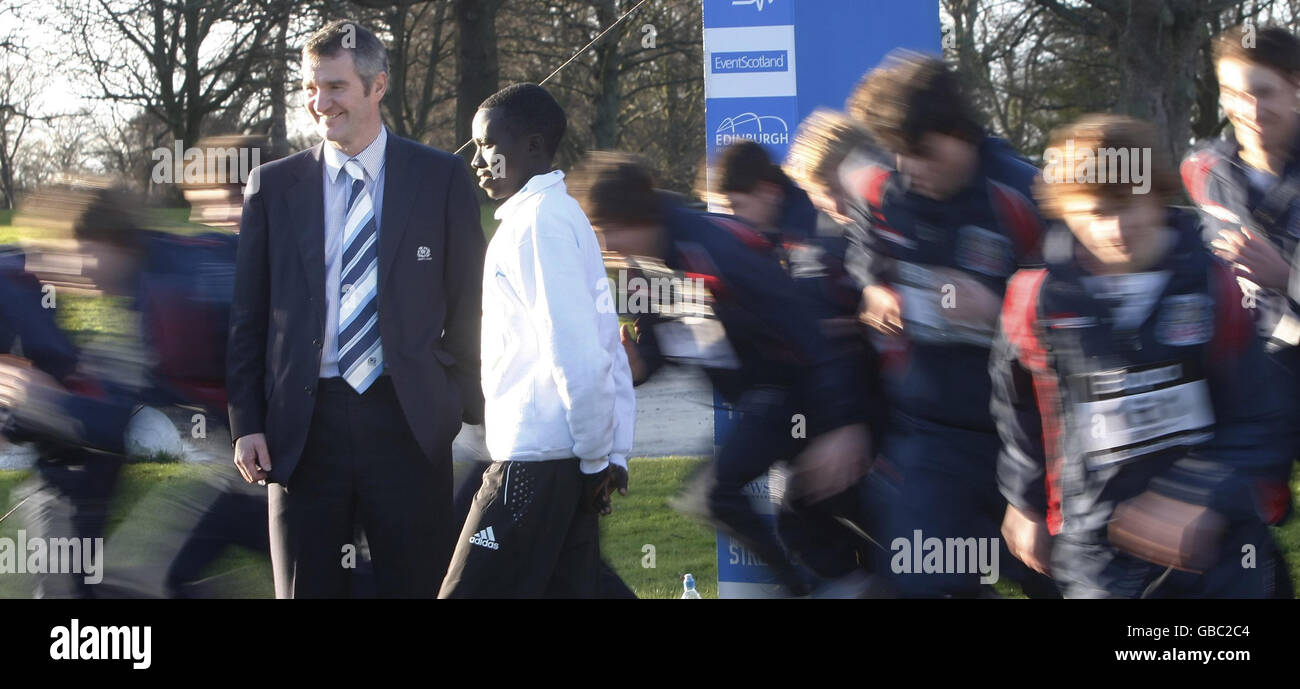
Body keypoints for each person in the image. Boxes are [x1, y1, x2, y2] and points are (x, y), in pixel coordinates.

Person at [226, 19, 485, 598]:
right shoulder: (272, 187)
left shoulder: (440, 177)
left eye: (336, 87)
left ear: (378, 86)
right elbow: (249, 316)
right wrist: (247, 423)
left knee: (419, 588)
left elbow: (469, 301)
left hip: (408, 423)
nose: (320, 103)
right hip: (303, 431)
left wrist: (457, 400)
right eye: (310, 88)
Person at [995, 114, 1291, 598]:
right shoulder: (1036, 300)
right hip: (1099, 547)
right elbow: (1021, 412)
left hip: (1214, 540)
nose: (1114, 227)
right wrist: (1024, 501)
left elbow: (1258, 417)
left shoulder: (1214, 287)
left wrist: (1197, 494)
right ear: (1064, 210)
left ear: (1157, 193)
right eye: (1095, 212)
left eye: (1127, 204)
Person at [570, 151, 876, 596]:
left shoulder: (715, 247)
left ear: (639, 217)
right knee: (807, 513)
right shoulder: (641, 268)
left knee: (722, 493)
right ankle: (858, 582)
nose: (606, 244)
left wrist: (843, 425)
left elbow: (806, 330)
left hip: (796, 392)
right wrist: (635, 365)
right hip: (764, 401)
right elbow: (658, 348)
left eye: (610, 229)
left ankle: (817, 587)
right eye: (598, 232)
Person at [841, 51, 1055, 597]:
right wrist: (875, 287)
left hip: (1030, 439)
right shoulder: (881, 187)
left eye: (923, 153)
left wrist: (1001, 311)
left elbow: (1082, 315)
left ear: (959, 134)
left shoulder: (1024, 195)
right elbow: (864, 252)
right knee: (918, 578)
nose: (909, 167)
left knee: (1060, 581)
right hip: (930, 434)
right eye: (898, 152)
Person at [438, 83, 634, 598]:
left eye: (488, 145)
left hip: (534, 466)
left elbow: (581, 353)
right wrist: (608, 454)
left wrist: (601, 458)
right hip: (559, 463)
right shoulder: (552, 216)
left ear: (532, 146)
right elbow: (605, 345)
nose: (476, 160)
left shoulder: (539, 225)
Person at [1182, 25, 1300, 532]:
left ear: (1296, 86)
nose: (1248, 109)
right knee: (1238, 521)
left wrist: (1287, 276)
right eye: (1233, 93)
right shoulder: (1202, 169)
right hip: (1250, 375)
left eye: (1263, 92)